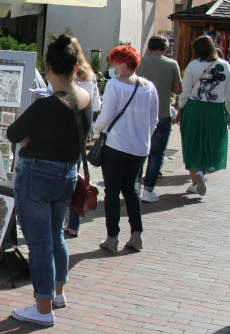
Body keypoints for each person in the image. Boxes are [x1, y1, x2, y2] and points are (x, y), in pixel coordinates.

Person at [5, 35, 92, 327]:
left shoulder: (47, 104)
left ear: (49, 66)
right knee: (55, 236)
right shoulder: (85, 99)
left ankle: (43, 309)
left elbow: (14, 132)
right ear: (75, 66)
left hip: (37, 175)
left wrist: (31, 136)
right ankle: (57, 294)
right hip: (67, 175)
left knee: (39, 243)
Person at [93, 45, 159, 252]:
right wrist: (144, 138)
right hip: (140, 148)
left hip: (117, 144)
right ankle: (136, 234)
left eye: (113, 64)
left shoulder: (114, 85)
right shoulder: (149, 87)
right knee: (130, 189)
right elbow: (153, 120)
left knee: (112, 192)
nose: (111, 68)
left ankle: (112, 237)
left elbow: (105, 117)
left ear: (122, 65)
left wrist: (95, 130)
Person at [46, 37, 102, 237]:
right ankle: (74, 224)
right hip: (80, 131)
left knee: (64, 179)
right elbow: (96, 106)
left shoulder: (65, 76)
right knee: (76, 176)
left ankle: (59, 223)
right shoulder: (90, 76)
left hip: (61, 131)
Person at [175, 35, 230, 196]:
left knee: (192, 143)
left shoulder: (193, 65)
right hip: (215, 110)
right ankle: (203, 172)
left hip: (194, 108)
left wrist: (180, 109)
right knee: (212, 143)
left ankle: (195, 181)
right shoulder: (225, 66)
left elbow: (185, 91)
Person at [135, 35, 183, 203]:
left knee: (138, 150)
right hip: (161, 113)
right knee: (156, 154)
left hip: (139, 113)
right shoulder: (171, 64)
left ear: (148, 47)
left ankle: (135, 184)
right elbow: (178, 89)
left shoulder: (139, 62)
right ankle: (148, 190)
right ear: (165, 49)